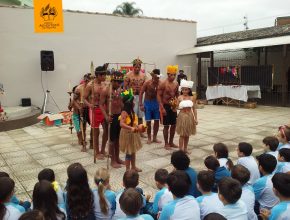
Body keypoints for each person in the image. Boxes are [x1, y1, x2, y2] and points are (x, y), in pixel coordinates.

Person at [100, 71, 125, 168]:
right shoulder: (106, 90)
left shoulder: (119, 89)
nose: (119, 84)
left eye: (120, 82)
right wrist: (106, 116)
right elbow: (101, 104)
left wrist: (124, 109)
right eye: (117, 82)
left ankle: (117, 158)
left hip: (119, 116)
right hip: (110, 117)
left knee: (118, 139)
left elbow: (120, 102)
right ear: (112, 80)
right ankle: (112, 160)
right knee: (111, 140)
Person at [84, 65, 107, 159]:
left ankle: (102, 150)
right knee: (96, 132)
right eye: (103, 75)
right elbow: (84, 98)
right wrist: (90, 105)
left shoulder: (105, 84)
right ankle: (97, 152)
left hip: (104, 109)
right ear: (98, 75)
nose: (105, 77)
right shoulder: (90, 85)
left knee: (107, 130)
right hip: (94, 110)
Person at [119, 89, 143, 172]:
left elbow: (133, 120)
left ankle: (133, 167)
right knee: (128, 152)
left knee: (133, 151)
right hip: (127, 133)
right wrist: (131, 128)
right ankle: (127, 169)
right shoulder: (124, 112)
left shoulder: (131, 110)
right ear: (129, 102)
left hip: (132, 132)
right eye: (133, 101)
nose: (134, 102)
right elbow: (121, 124)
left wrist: (137, 126)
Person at [157, 65, 179, 150]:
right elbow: (158, 95)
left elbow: (177, 94)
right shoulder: (163, 83)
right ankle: (166, 143)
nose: (173, 76)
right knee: (166, 126)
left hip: (173, 106)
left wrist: (177, 102)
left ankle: (171, 142)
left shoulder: (176, 83)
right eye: (171, 75)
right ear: (167, 74)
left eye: (174, 75)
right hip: (165, 106)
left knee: (173, 125)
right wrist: (161, 107)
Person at [139, 69, 162, 144]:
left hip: (156, 103)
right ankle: (149, 137)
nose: (157, 79)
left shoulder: (161, 83)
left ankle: (154, 137)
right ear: (153, 76)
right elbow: (141, 93)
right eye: (156, 77)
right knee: (148, 122)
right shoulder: (147, 83)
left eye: (158, 77)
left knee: (156, 121)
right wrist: (141, 104)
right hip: (148, 103)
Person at [124, 58, 146, 134]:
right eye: (136, 67)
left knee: (140, 115)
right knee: (133, 115)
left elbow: (145, 86)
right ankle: (133, 130)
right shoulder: (128, 75)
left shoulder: (143, 75)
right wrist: (128, 98)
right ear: (133, 67)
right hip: (132, 97)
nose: (137, 68)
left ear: (140, 67)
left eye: (139, 67)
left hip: (140, 97)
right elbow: (125, 87)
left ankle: (140, 131)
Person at [176, 79, 198, 153]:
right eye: (183, 90)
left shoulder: (192, 98)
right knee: (182, 134)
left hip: (189, 116)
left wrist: (196, 119)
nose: (185, 91)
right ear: (181, 90)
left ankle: (185, 149)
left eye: (186, 90)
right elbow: (176, 107)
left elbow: (194, 109)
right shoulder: (179, 97)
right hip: (182, 116)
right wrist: (175, 106)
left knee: (187, 134)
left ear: (189, 90)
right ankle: (180, 150)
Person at [76, 73, 93, 149]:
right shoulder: (79, 88)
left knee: (93, 126)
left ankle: (92, 142)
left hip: (91, 109)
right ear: (86, 80)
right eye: (89, 80)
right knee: (83, 127)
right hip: (83, 110)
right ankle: (83, 144)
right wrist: (79, 107)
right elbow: (74, 100)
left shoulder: (93, 88)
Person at [69, 85, 85, 151]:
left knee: (82, 129)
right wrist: (71, 103)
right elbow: (69, 107)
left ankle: (82, 139)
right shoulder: (73, 100)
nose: (76, 94)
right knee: (78, 129)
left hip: (81, 116)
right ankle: (80, 139)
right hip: (76, 116)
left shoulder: (82, 99)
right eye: (75, 93)